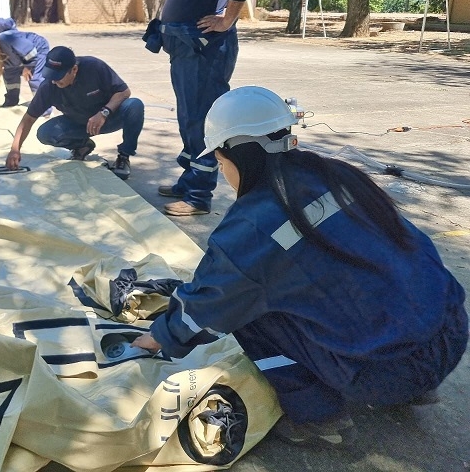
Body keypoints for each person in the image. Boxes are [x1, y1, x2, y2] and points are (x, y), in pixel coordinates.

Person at [133, 86, 468, 448]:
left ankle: (320, 419)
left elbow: (206, 307)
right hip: (451, 332)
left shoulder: (250, 229)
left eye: (219, 160)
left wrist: (155, 338)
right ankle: (417, 384)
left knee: (250, 312)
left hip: (390, 374)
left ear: (234, 155)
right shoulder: (336, 174)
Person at [144, 0, 256, 216]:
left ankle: (198, 196)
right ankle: (188, 179)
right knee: (188, 120)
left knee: (202, 123)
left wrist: (227, 18)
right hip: (186, 53)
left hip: (205, 55)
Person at [5, 46, 144, 180]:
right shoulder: (49, 86)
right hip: (79, 124)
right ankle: (82, 146)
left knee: (134, 106)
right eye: (51, 76)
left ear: (74, 69)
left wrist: (104, 112)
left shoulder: (94, 67)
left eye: (59, 76)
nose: (54, 81)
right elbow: (28, 119)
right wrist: (15, 149)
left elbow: (124, 92)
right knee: (45, 133)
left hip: (108, 118)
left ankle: (124, 157)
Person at [0, 27, 49, 109]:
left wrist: (28, 67)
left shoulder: (5, 39)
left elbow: (30, 51)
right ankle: (11, 102)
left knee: (33, 77)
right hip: (16, 58)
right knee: (9, 75)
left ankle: (44, 108)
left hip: (37, 49)